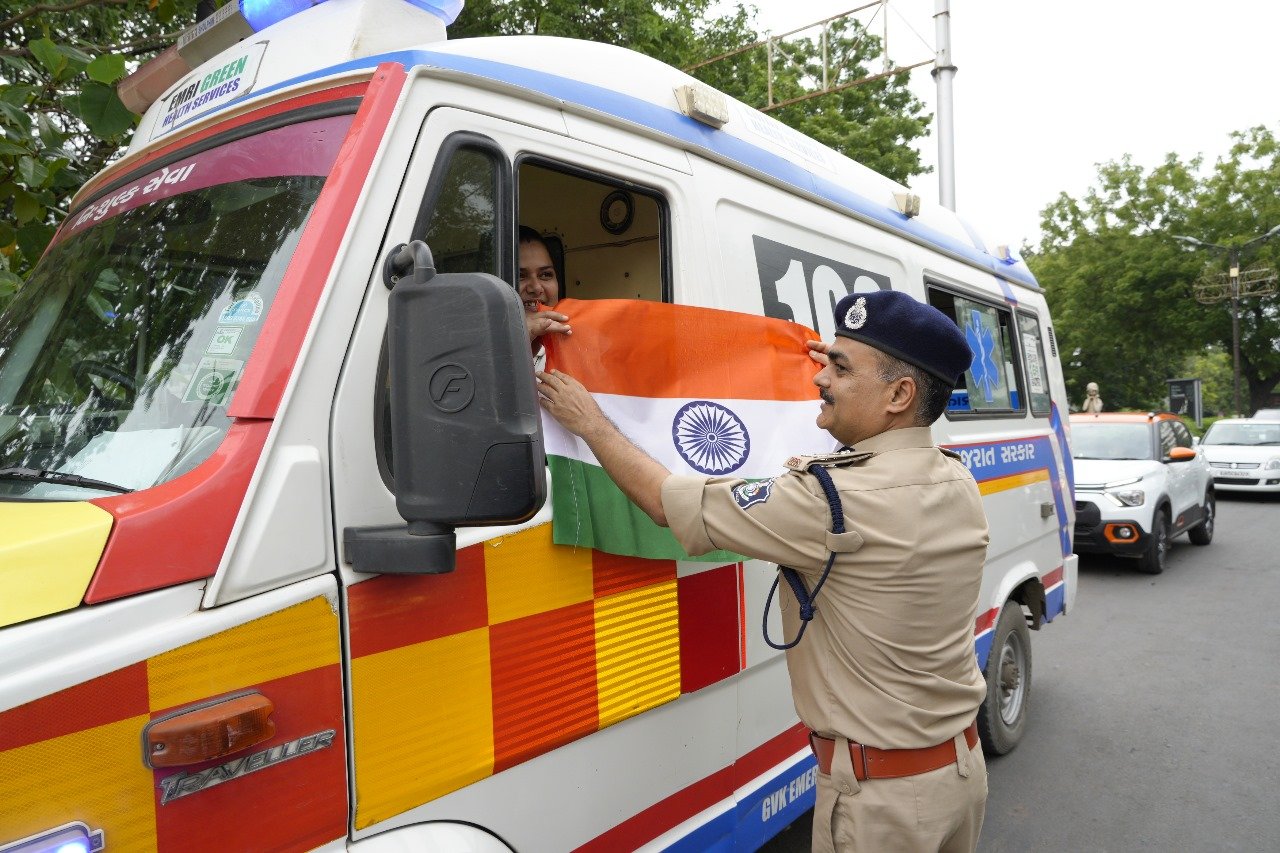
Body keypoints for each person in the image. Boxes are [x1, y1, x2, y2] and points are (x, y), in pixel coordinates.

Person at [537, 290, 989, 852]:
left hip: (884, 804)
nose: (820, 379)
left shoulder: (833, 500)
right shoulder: (953, 478)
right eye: (825, 360)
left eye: (841, 368)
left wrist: (590, 422)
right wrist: (849, 372)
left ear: (899, 394)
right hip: (958, 771)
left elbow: (665, 501)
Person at [518, 225, 571, 369]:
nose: (535, 288)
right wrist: (515, 342)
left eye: (546, 274)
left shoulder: (577, 342)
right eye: (520, 276)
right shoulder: (476, 348)